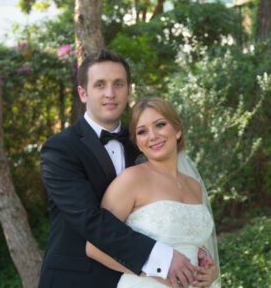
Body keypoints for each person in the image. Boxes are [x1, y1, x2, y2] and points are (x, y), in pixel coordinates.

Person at [39, 49, 216, 288]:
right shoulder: (61, 149)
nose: (110, 93)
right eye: (100, 85)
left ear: (128, 90)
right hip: (77, 279)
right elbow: (90, 220)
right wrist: (163, 259)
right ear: (83, 93)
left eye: (118, 84)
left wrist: (201, 259)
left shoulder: (144, 144)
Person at [85, 97, 220, 287]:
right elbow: (95, 246)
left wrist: (210, 270)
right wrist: (155, 270)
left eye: (160, 125)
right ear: (137, 142)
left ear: (178, 130)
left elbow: (198, 246)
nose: (153, 136)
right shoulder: (131, 180)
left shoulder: (194, 186)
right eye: (142, 131)